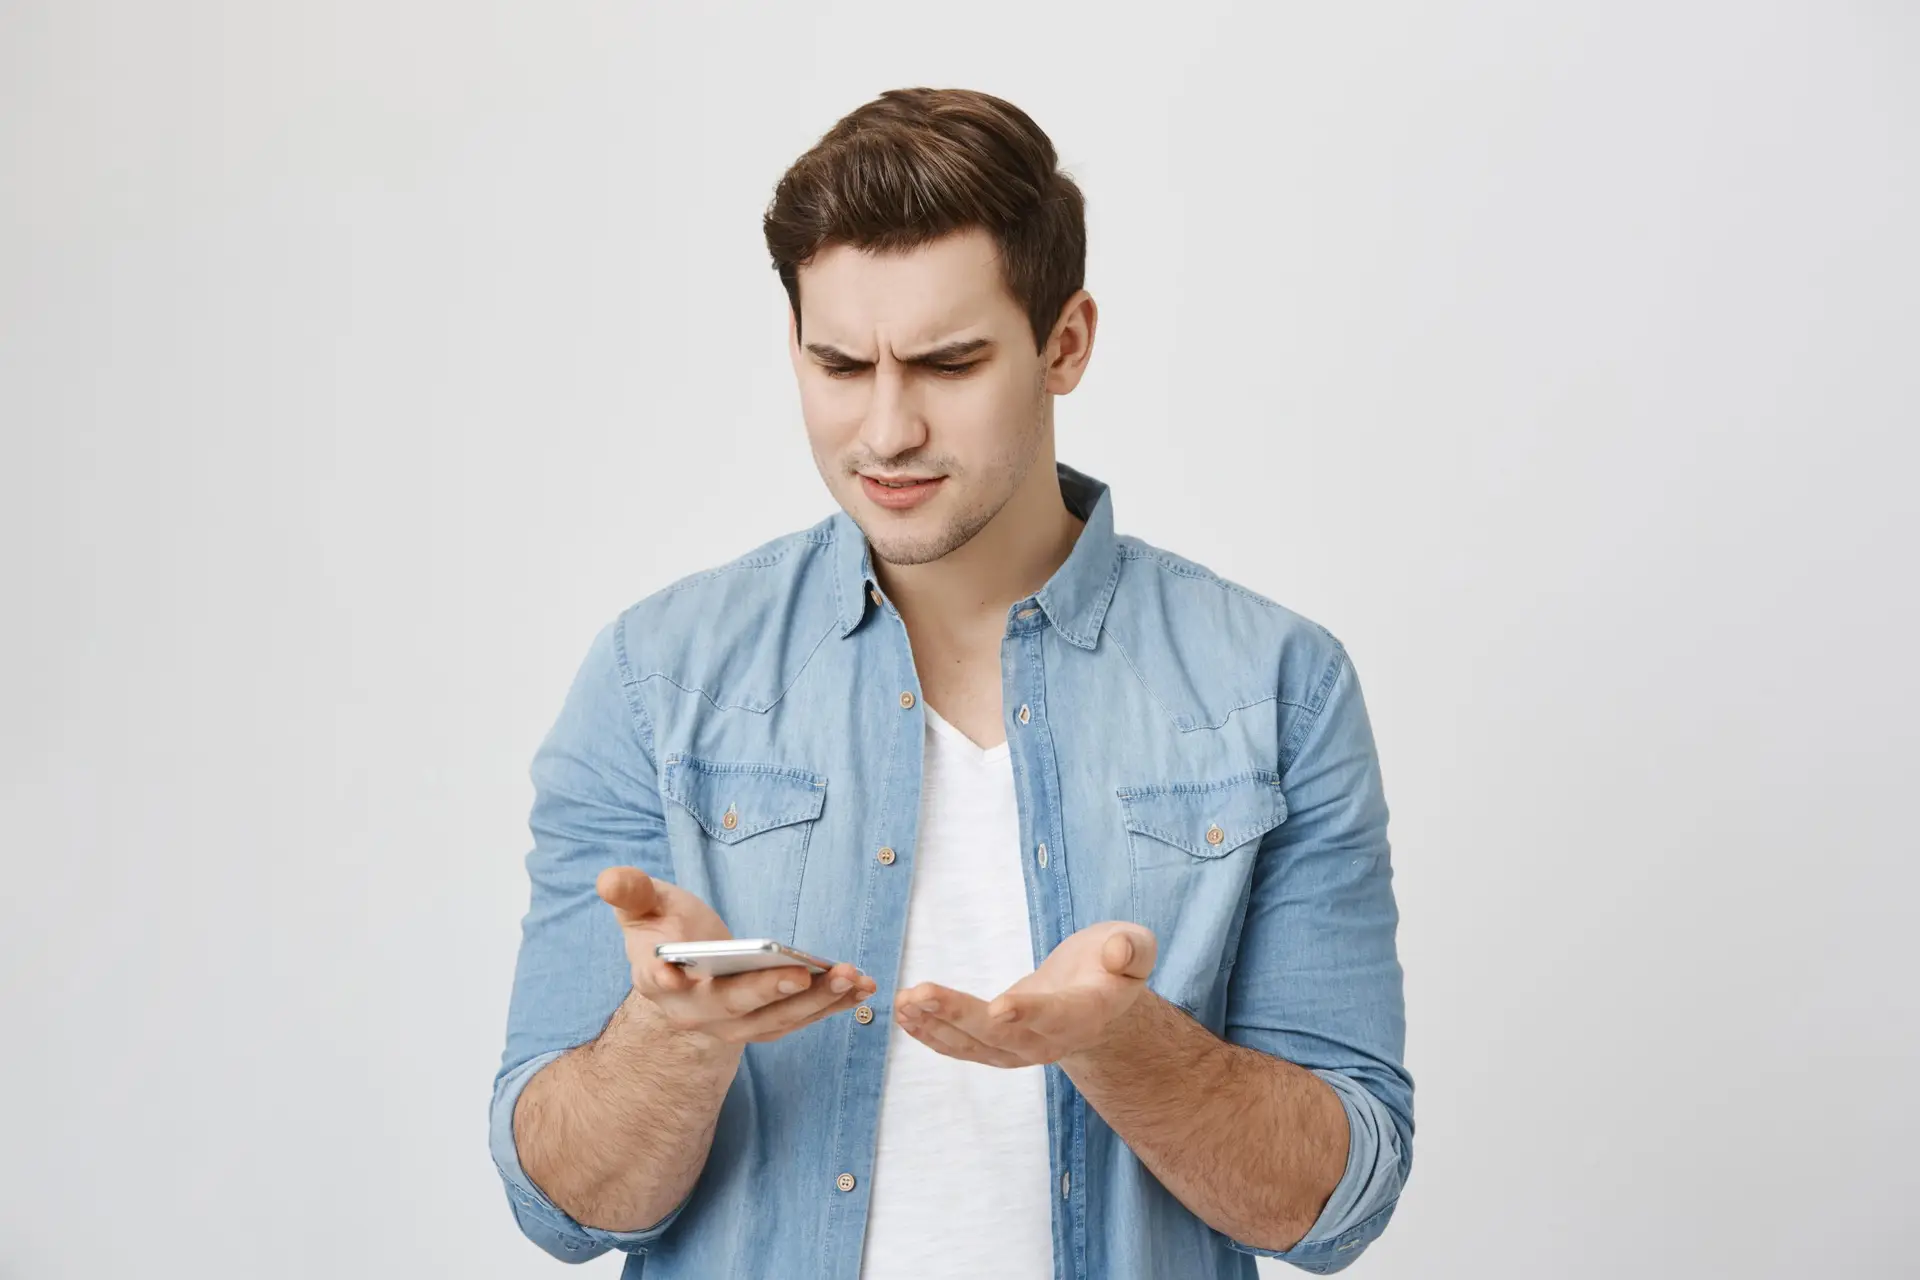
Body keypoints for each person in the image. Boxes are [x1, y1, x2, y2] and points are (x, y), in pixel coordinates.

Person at [489, 86, 1412, 1279]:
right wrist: (672, 1039)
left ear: (1064, 343)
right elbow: (558, 1203)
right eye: (838, 364)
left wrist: (1125, 1044)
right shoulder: (656, 678)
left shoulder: (1276, 688)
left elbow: (1335, 1206)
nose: (886, 430)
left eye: (948, 362)